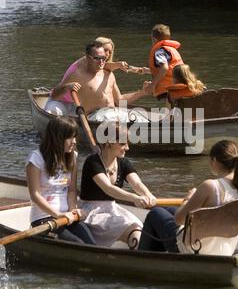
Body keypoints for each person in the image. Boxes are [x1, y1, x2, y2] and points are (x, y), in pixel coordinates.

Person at [138, 140, 238, 255]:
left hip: (195, 249)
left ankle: (141, 260)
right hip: (225, 250)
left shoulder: (210, 186)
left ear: (215, 160)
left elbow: (179, 219)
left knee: (155, 213)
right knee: (167, 210)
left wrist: (188, 199)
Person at [79, 124, 156, 248]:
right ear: (109, 143)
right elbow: (108, 188)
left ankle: (140, 253)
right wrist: (135, 198)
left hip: (111, 209)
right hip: (91, 212)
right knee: (131, 228)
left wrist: (148, 194)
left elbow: (137, 183)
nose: (127, 148)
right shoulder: (92, 162)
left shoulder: (123, 162)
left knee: (138, 229)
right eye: (122, 144)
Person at [26, 116, 96, 245]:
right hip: (44, 220)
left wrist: (72, 210)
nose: (74, 142)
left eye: (75, 137)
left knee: (92, 244)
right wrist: (58, 215)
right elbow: (35, 195)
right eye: (70, 137)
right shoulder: (36, 159)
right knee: (78, 245)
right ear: (57, 138)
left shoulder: (73, 156)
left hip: (67, 217)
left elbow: (72, 190)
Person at [44, 40, 152, 120]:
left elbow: (119, 101)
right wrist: (67, 87)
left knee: (142, 119)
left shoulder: (109, 74)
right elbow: (54, 95)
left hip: (115, 112)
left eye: (103, 58)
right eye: (97, 58)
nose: (101, 62)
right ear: (87, 58)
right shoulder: (77, 75)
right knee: (110, 120)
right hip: (96, 116)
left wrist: (142, 92)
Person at [147, 24, 184, 103]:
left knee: (169, 112)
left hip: (168, 89)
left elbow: (164, 68)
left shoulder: (159, 52)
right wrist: (144, 70)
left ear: (154, 39)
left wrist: (153, 85)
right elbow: (171, 69)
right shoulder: (172, 50)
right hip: (180, 86)